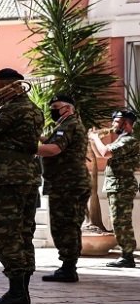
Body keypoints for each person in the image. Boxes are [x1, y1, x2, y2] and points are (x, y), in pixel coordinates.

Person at [0, 69, 44, 304]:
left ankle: (16, 293)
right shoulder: (35, 109)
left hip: (9, 177)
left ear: (10, 87)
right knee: (24, 233)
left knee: (6, 234)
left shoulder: (10, 110)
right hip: (29, 176)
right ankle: (22, 291)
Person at [35, 94, 90, 282]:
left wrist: (25, 147)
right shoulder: (67, 125)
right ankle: (68, 266)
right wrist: (38, 137)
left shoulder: (69, 125)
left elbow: (53, 149)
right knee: (67, 223)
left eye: (56, 107)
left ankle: (68, 268)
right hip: (68, 182)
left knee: (66, 224)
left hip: (68, 183)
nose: (52, 110)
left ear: (68, 108)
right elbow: (52, 143)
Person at [89, 110, 140, 268]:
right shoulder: (122, 139)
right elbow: (100, 154)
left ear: (126, 123)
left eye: (116, 122)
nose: (112, 125)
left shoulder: (129, 140)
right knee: (117, 221)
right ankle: (126, 255)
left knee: (121, 221)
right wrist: (93, 142)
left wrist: (95, 138)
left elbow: (106, 152)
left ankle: (127, 256)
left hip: (122, 186)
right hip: (117, 185)